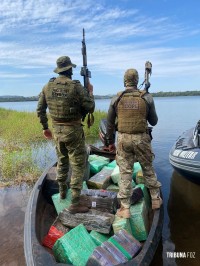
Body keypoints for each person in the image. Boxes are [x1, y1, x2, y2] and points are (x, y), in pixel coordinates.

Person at [37, 56, 95, 214]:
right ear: (70, 70)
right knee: (77, 166)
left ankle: (62, 192)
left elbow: (40, 109)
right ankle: (75, 203)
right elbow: (90, 107)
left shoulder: (47, 86)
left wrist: (45, 127)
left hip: (57, 131)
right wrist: (90, 92)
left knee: (62, 162)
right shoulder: (75, 86)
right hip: (73, 132)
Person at [106, 68, 162, 219]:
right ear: (137, 81)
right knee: (148, 168)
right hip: (141, 139)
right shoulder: (146, 97)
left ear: (124, 81)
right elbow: (154, 121)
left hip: (123, 140)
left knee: (125, 172)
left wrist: (110, 142)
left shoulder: (116, 99)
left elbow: (110, 124)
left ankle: (125, 208)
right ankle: (156, 199)